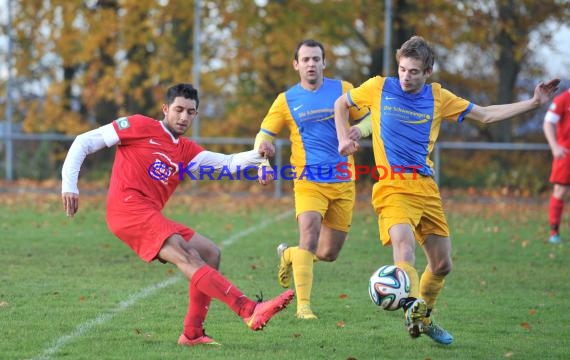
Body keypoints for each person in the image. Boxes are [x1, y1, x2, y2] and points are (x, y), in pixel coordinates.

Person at [334, 35, 560, 345]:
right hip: (391, 184)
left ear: (427, 72)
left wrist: (534, 103)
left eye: (414, 71)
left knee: (442, 265)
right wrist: (342, 139)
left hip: (426, 188)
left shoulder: (438, 97)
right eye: (402, 69)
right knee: (404, 247)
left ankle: (422, 318)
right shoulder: (378, 87)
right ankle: (412, 306)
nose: (406, 77)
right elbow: (340, 104)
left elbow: (486, 114)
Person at [61, 83, 294, 347]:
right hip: (127, 209)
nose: (184, 117)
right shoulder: (138, 126)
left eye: (190, 112)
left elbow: (228, 165)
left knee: (209, 252)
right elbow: (83, 142)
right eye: (179, 110)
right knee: (185, 255)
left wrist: (258, 154)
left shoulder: (185, 150)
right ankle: (249, 310)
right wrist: (70, 185)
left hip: (148, 213)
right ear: (165, 109)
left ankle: (192, 333)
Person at [253, 39, 370, 319]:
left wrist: (360, 132)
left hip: (343, 181)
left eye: (316, 59)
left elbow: (370, 118)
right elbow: (264, 135)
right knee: (309, 234)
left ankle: (291, 256)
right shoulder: (286, 100)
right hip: (308, 181)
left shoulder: (343, 90)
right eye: (305, 59)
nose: (311, 64)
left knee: (329, 253)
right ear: (296, 65)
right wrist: (263, 160)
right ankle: (303, 307)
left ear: (324, 63)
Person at [543, 88, 570, 244]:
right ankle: (554, 232)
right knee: (560, 191)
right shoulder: (563, 99)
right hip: (566, 153)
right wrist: (554, 146)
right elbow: (548, 123)